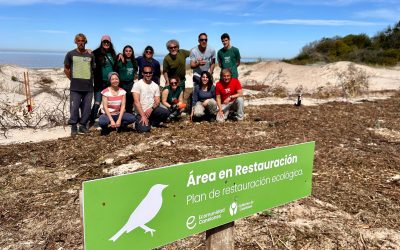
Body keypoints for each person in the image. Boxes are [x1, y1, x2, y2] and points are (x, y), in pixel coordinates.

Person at [64, 33, 95, 136]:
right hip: (75, 87)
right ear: (76, 42)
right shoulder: (70, 54)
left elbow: (93, 68)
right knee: (74, 107)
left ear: (85, 42)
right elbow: (66, 68)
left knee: (86, 108)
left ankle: (82, 125)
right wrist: (72, 79)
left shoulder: (90, 54)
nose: (81, 43)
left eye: (82, 41)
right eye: (79, 41)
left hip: (88, 87)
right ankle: (73, 126)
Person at [132, 65, 169, 133]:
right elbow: (136, 101)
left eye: (150, 73)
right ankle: (137, 123)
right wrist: (143, 115)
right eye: (146, 73)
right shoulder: (137, 84)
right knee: (144, 130)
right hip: (140, 112)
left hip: (151, 111)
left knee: (166, 112)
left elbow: (157, 101)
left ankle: (152, 122)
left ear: (152, 73)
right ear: (142, 73)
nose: (148, 74)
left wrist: (151, 109)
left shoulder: (155, 85)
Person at [90, 34, 117, 124]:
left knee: (109, 102)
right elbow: (89, 58)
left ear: (110, 43)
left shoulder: (113, 53)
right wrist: (87, 51)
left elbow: (116, 65)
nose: (106, 43)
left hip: (110, 83)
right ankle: (91, 120)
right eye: (104, 42)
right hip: (99, 82)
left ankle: (109, 119)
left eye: (107, 42)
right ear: (101, 43)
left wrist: (120, 54)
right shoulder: (96, 53)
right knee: (97, 102)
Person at [115, 45, 138, 114]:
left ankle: (129, 115)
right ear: (124, 52)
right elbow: (115, 68)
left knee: (130, 101)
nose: (128, 52)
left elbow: (135, 71)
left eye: (130, 51)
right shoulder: (120, 60)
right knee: (120, 101)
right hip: (121, 83)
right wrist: (119, 54)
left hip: (130, 84)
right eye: (126, 51)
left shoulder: (134, 61)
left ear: (132, 52)